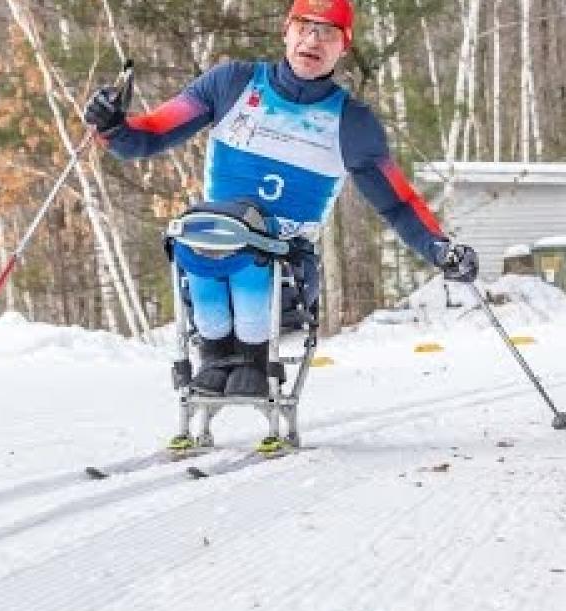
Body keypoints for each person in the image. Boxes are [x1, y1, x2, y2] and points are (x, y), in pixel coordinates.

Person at [84, 0, 478, 397]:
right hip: (214, 247)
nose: (312, 40)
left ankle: (254, 361)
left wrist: (440, 248)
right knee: (196, 234)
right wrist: (112, 123)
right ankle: (216, 356)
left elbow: (396, 203)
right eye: (304, 27)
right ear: (286, 32)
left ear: (344, 45)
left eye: (327, 32)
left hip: (286, 271)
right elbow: (148, 137)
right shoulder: (231, 84)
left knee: (252, 245)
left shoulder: (353, 122)